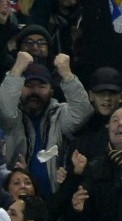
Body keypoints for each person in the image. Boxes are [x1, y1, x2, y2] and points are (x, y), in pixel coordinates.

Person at [0, 51, 93, 199]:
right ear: (19, 87)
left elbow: (82, 113)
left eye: (41, 86)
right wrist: (16, 71)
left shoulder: (59, 113)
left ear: (51, 90)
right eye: (28, 85)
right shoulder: (13, 117)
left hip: (56, 198)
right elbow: (4, 108)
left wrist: (68, 76)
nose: (35, 92)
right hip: (17, 201)